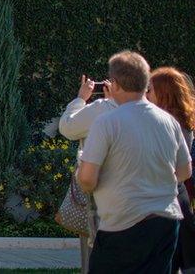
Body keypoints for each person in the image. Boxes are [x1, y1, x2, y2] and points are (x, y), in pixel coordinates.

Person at [78, 51, 192, 273]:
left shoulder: (107, 122)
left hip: (122, 222)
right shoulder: (169, 121)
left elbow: (87, 179)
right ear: (145, 83)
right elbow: (185, 171)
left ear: (116, 84)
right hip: (165, 221)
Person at [57, 74, 117, 273]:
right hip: (138, 197)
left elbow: (67, 127)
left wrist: (81, 98)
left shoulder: (103, 108)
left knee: (94, 252)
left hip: (100, 191)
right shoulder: (153, 113)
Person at [148, 66, 195, 272]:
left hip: (168, 198)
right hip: (178, 197)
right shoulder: (182, 120)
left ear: (163, 93)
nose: (145, 94)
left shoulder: (169, 124)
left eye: (150, 90)